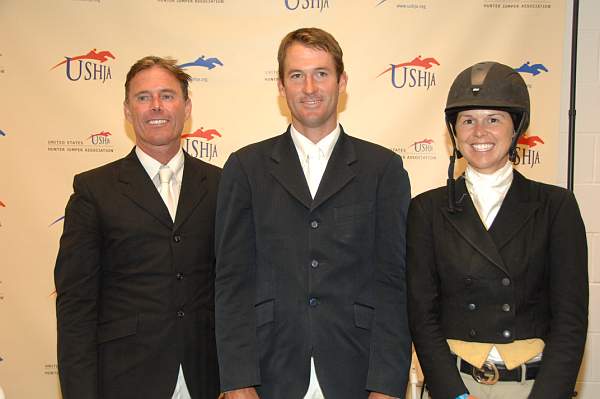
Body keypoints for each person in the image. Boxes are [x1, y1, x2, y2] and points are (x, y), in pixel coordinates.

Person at [214, 27, 412, 399]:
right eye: (296, 75)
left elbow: (393, 284)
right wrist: (237, 379)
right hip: (268, 372)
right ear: (281, 86)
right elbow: (231, 281)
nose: (309, 88)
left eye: (321, 73)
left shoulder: (383, 169)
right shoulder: (245, 168)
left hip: (357, 372)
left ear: (342, 82)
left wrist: (386, 384)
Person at [407, 61, 588, 399]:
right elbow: (422, 315)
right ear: (454, 132)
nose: (479, 132)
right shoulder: (425, 210)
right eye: (468, 120)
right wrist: (454, 394)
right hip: (457, 385)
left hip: (532, 386)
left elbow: (570, 320)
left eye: (493, 119)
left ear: (516, 127)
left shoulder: (555, 206)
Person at [54, 56, 221, 399]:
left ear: (187, 107)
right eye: (143, 97)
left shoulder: (222, 184)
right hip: (124, 380)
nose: (156, 106)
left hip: (209, 379)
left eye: (167, 95)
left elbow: (236, 289)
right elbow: (75, 308)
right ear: (128, 111)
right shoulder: (94, 190)